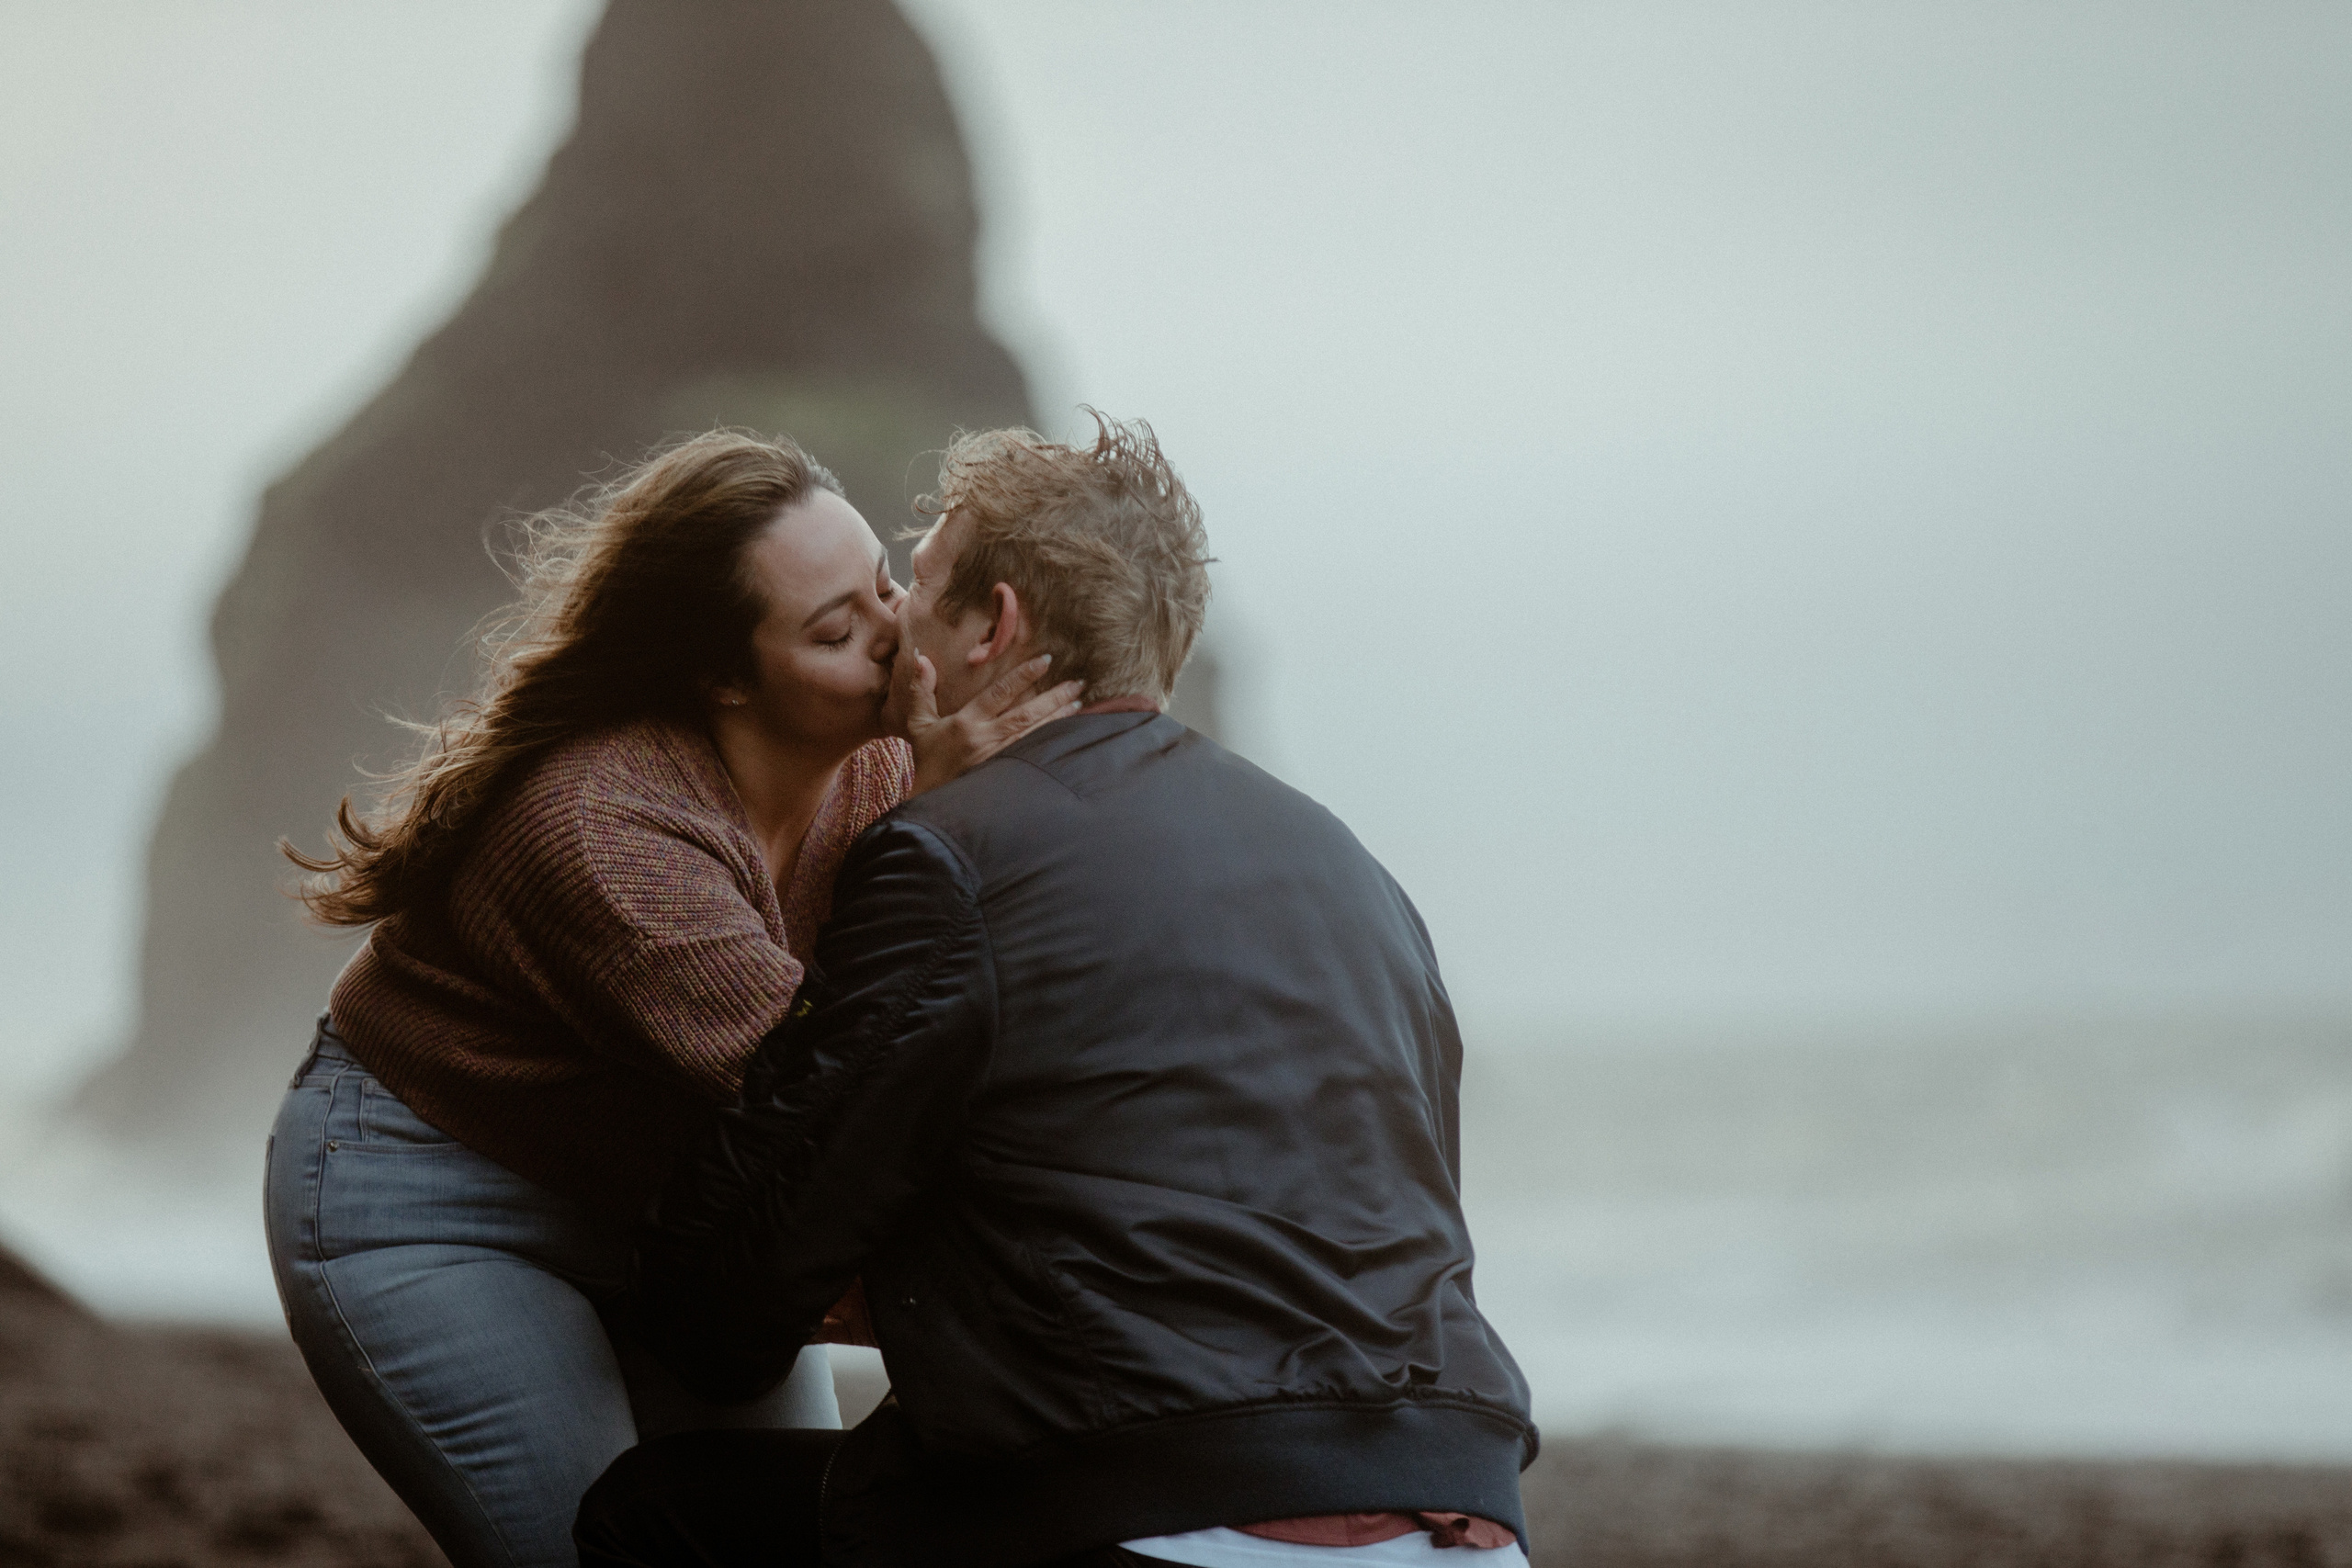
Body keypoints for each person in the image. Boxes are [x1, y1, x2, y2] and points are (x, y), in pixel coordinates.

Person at [575, 415, 1538, 1568]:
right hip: (1461, 1515)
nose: (893, 628)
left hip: (1170, 1511)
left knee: (655, 1510)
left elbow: (728, 1306)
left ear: (995, 624)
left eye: (916, 586)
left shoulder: (948, 853)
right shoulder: (1358, 874)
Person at [264, 430, 1081, 1568]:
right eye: (837, 631)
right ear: (723, 676)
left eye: (887, 588)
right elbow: (833, 1100)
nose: (895, 637)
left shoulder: (891, 764)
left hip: (680, 1202)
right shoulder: (608, 830)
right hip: (438, 1194)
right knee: (603, 1552)